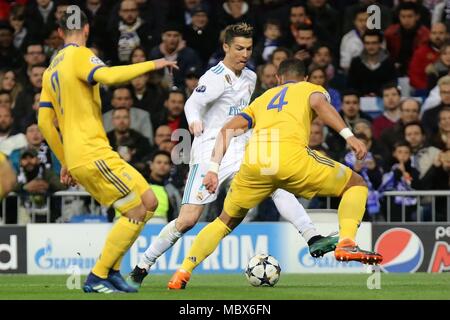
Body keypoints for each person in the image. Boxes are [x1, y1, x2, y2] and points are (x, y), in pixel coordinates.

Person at [127, 23, 339, 290]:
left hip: (240, 145)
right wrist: (193, 121)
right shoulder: (214, 77)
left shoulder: (250, 77)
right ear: (226, 47)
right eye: (239, 48)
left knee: (275, 182)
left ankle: (312, 237)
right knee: (188, 219)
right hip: (209, 149)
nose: (244, 54)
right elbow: (193, 103)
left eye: (249, 49)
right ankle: (142, 265)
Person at [167, 58, 383, 290]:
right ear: (306, 78)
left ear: (278, 79)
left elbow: (227, 129)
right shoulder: (309, 89)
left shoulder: (262, 99)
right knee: (356, 184)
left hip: (255, 163)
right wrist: (349, 136)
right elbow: (320, 103)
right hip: (290, 158)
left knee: (224, 221)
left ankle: (182, 272)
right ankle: (347, 242)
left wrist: (213, 168)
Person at [37, 9, 177, 293]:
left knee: (148, 201)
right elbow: (110, 76)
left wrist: (64, 160)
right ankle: (97, 276)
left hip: (85, 153)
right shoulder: (78, 55)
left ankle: (112, 270)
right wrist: (153, 64)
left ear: (61, 32)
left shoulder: (52, 68)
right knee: (137, 208)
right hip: (92, 152)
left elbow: (43, 122)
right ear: (86, 29)